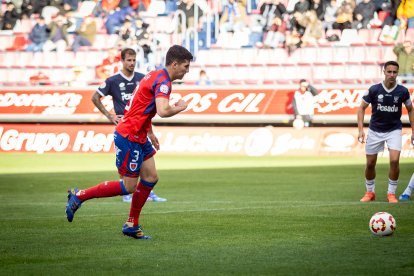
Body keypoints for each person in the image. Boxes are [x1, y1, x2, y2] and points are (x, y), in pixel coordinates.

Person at [66, 45, 193, 239]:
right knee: (129, 186)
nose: (187, 70)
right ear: (174, 64)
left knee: (151, 178)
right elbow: (163, 110)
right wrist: (180, 107)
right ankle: (80, 195)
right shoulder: (164, 82)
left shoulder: (154, 75)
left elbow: (143, 106)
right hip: (129, 135)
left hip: (139, 134)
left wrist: (149, 131)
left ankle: (131, 224)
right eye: (185, 66)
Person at [91, 47, 167, 203]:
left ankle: (148, 192)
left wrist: (151, 133)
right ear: (122, 61)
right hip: (124, 128)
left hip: (140, 126)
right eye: (129, 60)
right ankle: (127, 191)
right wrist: (109, 115)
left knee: (145, 163)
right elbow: (95, 97)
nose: (132, 63)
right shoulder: (112, 81)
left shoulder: (142, 78)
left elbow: (148, 109)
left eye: (134, 60)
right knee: (126, 161)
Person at [357, 60, 414, 203]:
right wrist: (360, 130)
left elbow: (411, 110)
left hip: (394, 130)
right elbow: (361, 108)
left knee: (394, 161)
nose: (392, 75)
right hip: (375, 130)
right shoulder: (374, 89)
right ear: (384, 72)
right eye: (389, 72)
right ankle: (370, 192)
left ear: (397, 73)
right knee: (370, 164)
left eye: (395, 72)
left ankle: (391, 194)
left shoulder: (402, 91)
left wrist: (413, 132)